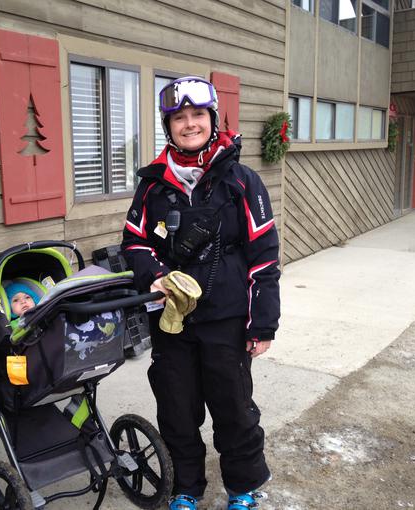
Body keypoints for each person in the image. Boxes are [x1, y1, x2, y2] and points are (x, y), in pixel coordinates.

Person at [121, 76, 280, 510]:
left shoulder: (242, 181)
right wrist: (154, 275)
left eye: (197, 115)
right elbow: (133, 242)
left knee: (233, 406)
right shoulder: (153, 185)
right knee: (176, 408)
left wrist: (262, 322)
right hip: (172, 320)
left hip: (226, 317)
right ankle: (185, 489)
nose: (189, 124)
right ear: (168, 126)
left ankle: (243, 488)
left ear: (211, 120)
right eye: (179, 118)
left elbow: (265, 256)